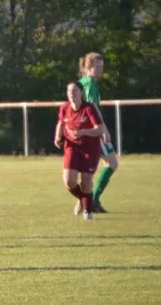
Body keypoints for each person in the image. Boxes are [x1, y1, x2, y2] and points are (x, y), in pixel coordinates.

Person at [54, 81, 107, 220]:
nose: (71, 93)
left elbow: (100, 129)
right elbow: (61, 123)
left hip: (90, 148)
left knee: (86, 181)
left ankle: (88, 213)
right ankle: (86, 201)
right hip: (72, 146)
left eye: (75, 90)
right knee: (69, 181)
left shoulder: (89, 108)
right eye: (69, 91)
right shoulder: (64, 108)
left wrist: (83, 132)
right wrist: (57, 136)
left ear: (81, 92)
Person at [78, 52, 119, 213]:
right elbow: (93, 108)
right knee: (112, 164)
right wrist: (103, 130)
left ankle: (90, 199)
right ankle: (91, 199)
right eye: (97, 66)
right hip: (94, 130)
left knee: (102, 165)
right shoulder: (89, 83)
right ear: (88, 67)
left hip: (87, 130)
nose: (101, 69)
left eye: (102, 66)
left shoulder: (84, 82)